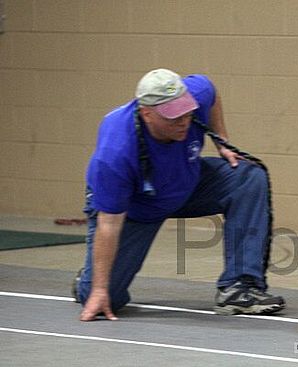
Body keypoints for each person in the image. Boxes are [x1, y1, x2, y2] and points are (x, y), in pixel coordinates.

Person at [74, 68, 285, 321]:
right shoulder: (114, 155)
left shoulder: (196, 94)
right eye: (173, 117)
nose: (184, 121)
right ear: (147, 114)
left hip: (186, 182)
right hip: (135, 207)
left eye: (186, 111)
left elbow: (211, 92)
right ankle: (88, 281)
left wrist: (222, 142)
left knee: (248, 176)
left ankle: (240, 287)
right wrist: (99, 289)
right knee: (105, 298)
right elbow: (108, 226)